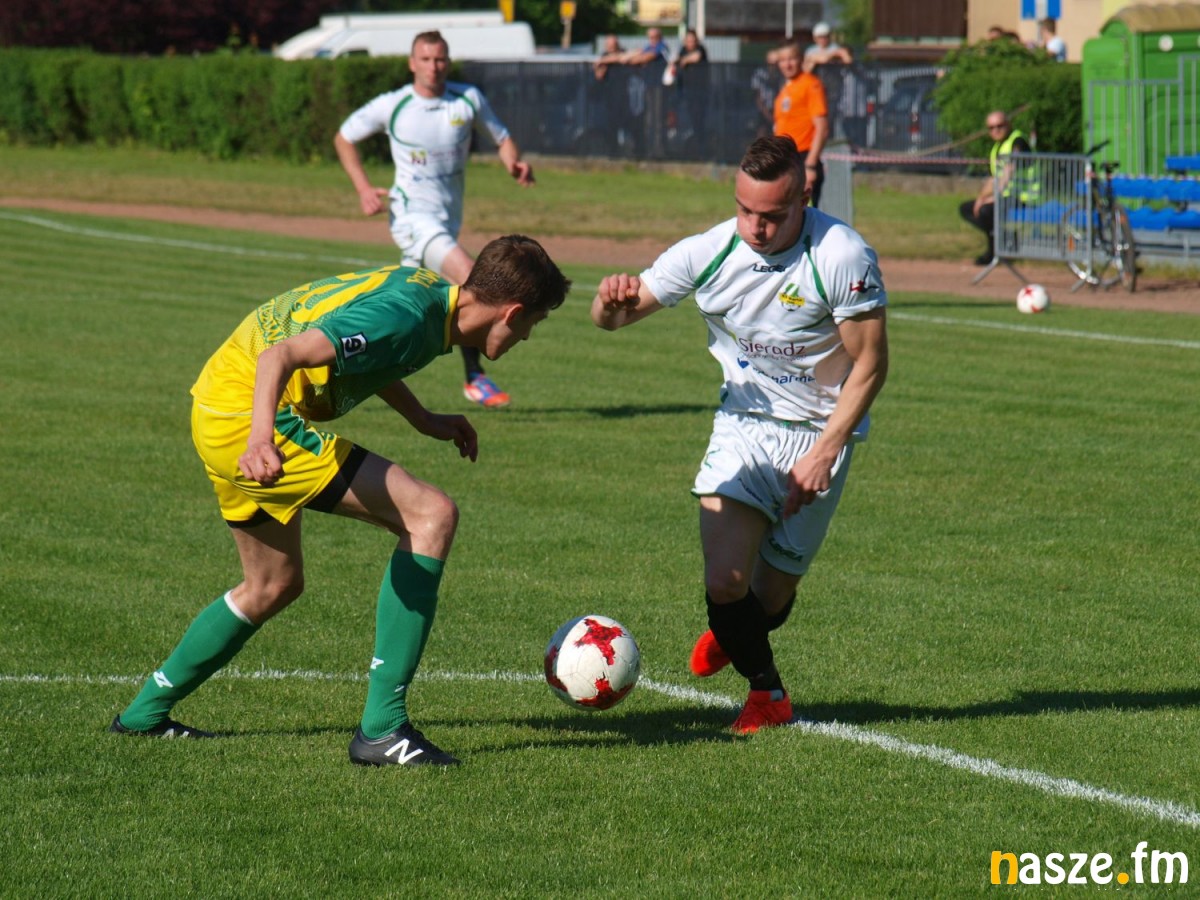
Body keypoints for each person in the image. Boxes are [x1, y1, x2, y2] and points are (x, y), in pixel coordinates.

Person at [109, 236, 571, 766]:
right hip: (250, 418)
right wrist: (259, 440)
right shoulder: (407, 316)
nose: (527, 336)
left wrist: (423, 419)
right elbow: (281, 355)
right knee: (431, 515)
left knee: (272, 585)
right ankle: (382, 730)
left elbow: (374, 354)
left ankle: (143, 715)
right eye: (534, 323)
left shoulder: (427, 297)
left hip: (219, 405)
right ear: (511, 312)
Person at [590, 135, 889, 734]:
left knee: (768, 601)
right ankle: (768, 694)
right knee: (725, 582)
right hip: (743, 425)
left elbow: (871, 364)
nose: (756, 227)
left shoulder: (841, 255)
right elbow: (614, 318)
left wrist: (826, 451)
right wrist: (607, 300)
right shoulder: (709, 250)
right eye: (745, 210)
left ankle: (738, 633)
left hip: (819, 433)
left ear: (804, 198)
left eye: (772, 215)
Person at [333, 30, 535, 410]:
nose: (433, 66)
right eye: (425, 59)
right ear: (412, 64)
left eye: (440, 59)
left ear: (448, 62)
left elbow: (502, 137)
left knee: (401, 310)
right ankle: (475, 376)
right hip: (411, 218)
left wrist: (513, 163)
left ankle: (342, 361)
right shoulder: (394, 105)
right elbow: (344, 138)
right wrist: (363, 188)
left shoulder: (467, 99)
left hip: (447, 220)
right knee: (473, 279)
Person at [959, 110, 1034, 265]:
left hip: (1024, 197)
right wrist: (981, 198)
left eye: (1000, 126)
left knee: (986, 211)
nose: (996, 130)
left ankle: (995, 251)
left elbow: (1009, 171)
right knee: (967, 209)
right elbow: (994, 178)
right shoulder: (996, 149)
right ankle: (1004, 240)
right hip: (1007, 197)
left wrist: (994, 197)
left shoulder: (1018, 141)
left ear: (1008, 124)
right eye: (991, 127)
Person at [773, 40, 831, 209]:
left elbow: (822, 128)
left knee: (804, 215)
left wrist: (810, 165)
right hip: (785, 158)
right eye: (783, 60)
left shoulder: (811, 84)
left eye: (791, 59)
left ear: (801, 59)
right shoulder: (785, 89)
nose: (787, 64)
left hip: (802, 158)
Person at [667, 28, 709, 150]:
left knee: (698, 119)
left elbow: (696, 57)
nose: (690, 43)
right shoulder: (682, 50)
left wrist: (683, 60)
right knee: (685, 119)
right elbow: (674, 61)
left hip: (699, 91)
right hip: (685, 91)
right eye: (688, 40)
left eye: (693, 40)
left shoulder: (700, 49)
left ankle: (701, 147)